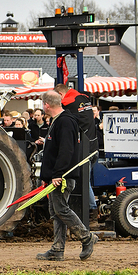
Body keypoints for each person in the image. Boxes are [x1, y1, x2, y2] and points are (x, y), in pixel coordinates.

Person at [36, 90, 97, 262]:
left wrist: (57, 174)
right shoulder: (59, 121)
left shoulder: (65, 122)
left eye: (43, 104)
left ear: (47, 105)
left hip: (62, 177)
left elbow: (66, 150)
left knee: (61, 209)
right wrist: (48, 175)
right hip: (56, 176)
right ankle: (57, 249)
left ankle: (86, 237)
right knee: (56, 212)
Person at [55, 84, 99, 220]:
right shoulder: (84, 98)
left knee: (82, 182)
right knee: (85, 181)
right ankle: (91, 210)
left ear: (61, 95)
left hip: (84, 150)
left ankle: (92, 210)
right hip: (94, 146)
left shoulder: (68, 103)